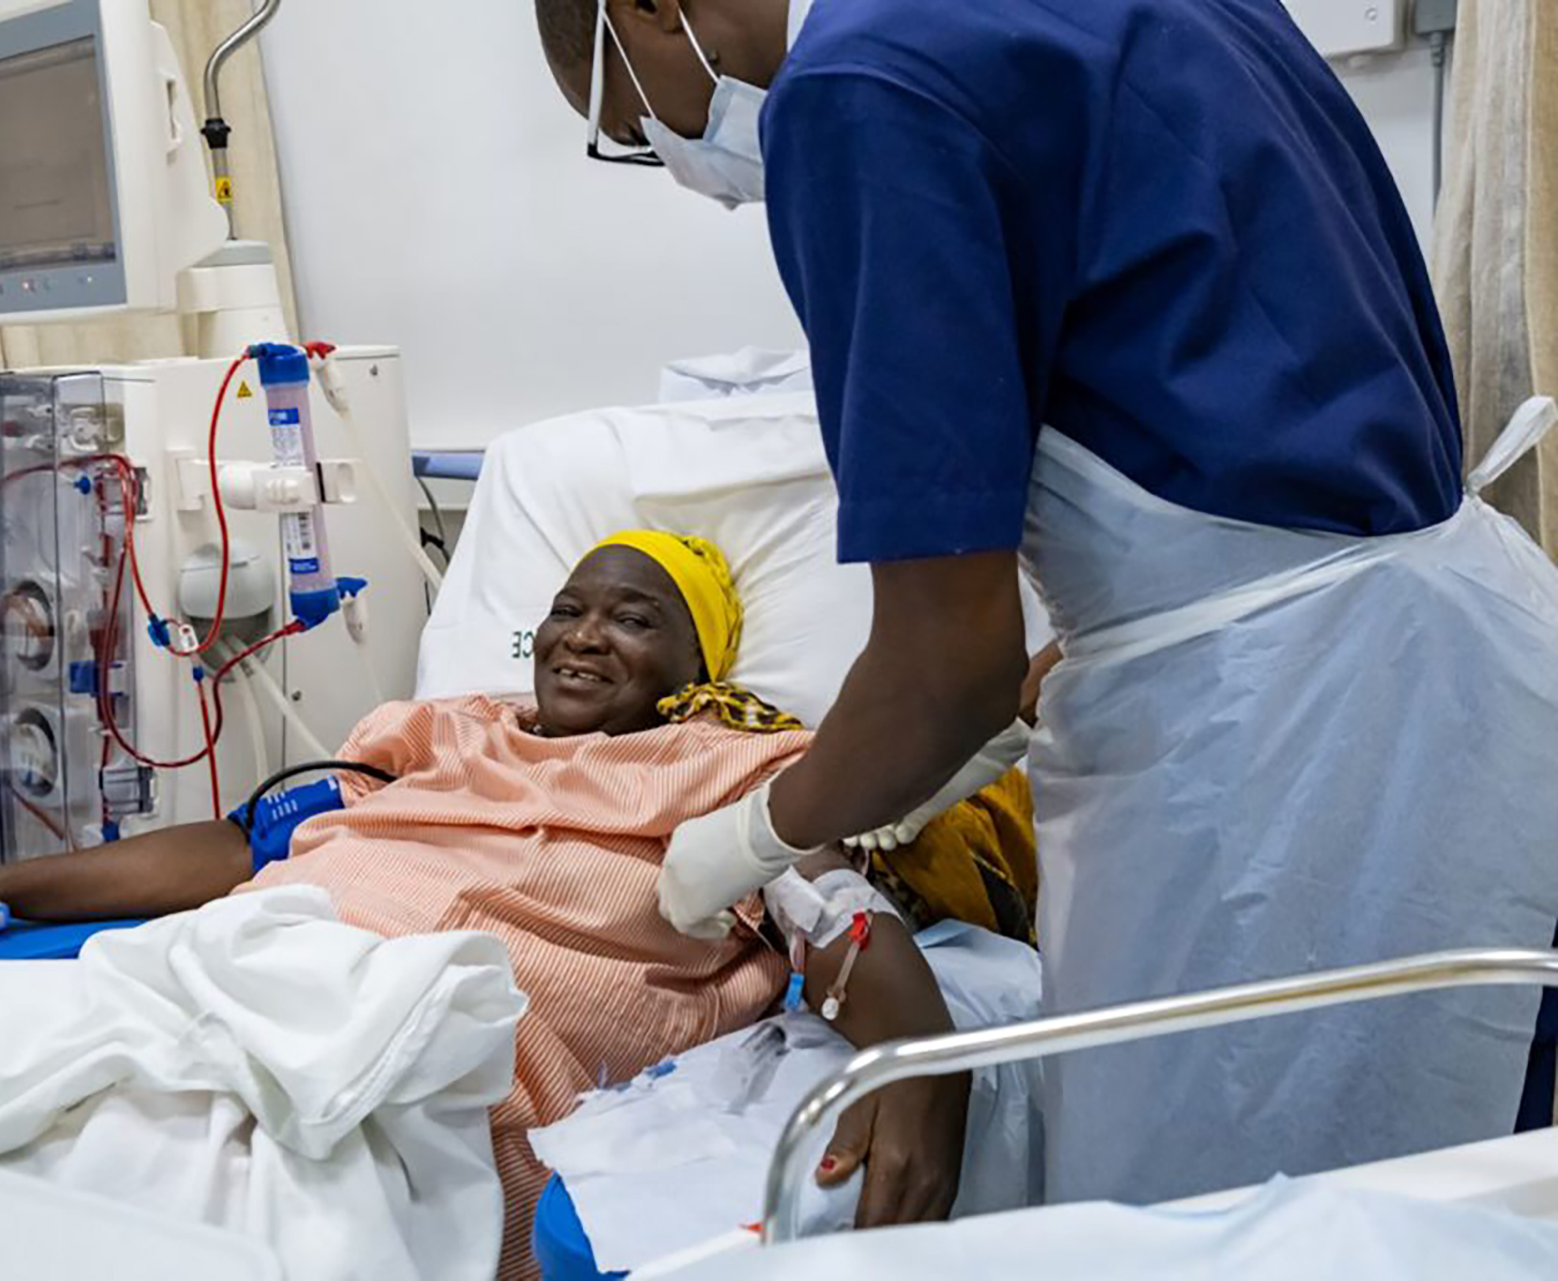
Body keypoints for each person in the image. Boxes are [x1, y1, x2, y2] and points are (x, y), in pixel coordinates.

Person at [533, 0, 1558, 1213]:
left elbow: (945, 664)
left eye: (645, 127)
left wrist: (752, 834)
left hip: (1286, 764)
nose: (688, 162)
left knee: (1235, 1221)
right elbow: (1244, 383)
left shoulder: (861, 89)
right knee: (1481, 1195)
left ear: (652, 9)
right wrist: (1100, 636)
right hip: (1466, 662)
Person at [0, 530, 1038, 1273]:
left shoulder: (733, 770)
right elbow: (242, 847)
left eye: (634, 617)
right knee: (4, 1142)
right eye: (568, 607)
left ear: (696, 669)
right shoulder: (441, 728)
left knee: (203, 1211)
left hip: (428, 1045)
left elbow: (834, 909)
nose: (582, 636)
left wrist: (916, 1064)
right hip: (253, 968)